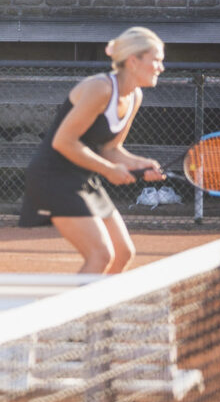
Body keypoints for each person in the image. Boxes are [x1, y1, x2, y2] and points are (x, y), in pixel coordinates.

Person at [19, 26, 165, 274]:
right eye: (156, 60)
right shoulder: (100, 88)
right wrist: (109, 171)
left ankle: (100, 301)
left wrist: (140, 164)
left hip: (83, 177)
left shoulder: (134, 96)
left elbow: (111, 149)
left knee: (123, 253)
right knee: (101, 255)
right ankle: (75, 302)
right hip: (53, 177)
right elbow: (63, 142)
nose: (161, 67)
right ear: (133, 61)